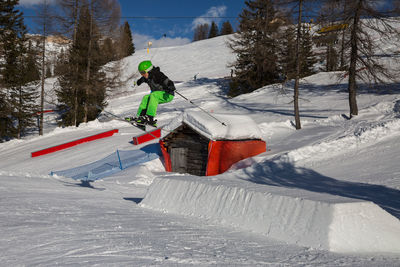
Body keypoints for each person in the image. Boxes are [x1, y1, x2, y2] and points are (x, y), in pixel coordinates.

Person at [127, 60, 175, 127]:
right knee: (146, 97)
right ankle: (140, 117)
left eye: (143, 72)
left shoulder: (158, 74)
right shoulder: (147, 77)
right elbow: (142, 79)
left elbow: (167, 81)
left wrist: (171, 86)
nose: (142, 74)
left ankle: (150, 118)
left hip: (167, 94)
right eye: (141, 73)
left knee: (153, 95)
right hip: (158, 95)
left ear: (149, 70)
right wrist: (138, 82)